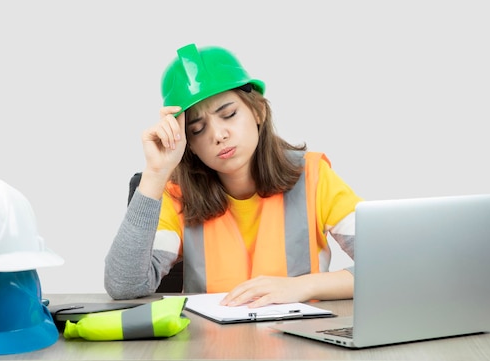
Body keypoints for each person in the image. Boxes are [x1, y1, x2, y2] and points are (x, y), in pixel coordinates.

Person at [105, 43, 363, 308]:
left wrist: (300, 286)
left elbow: (392, 266)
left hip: (302, 343)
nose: (218, 135)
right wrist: (155, 173)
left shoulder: (314, 177)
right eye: (197, 129)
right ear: (188, 144)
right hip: (208, 344)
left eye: (228, 114)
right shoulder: (177, 194)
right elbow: (125, 286)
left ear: (258, 111)